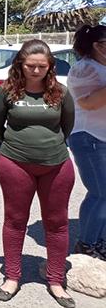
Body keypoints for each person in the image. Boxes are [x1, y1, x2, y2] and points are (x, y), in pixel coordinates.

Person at [0, 39, 76, 307]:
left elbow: (67, 125)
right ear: (20, 65)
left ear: (50, 67)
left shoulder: (60, 92)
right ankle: (12, 277)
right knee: (15, 220)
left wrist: (48, 147)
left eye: (42, 66)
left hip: (57, 164)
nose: (36, 71)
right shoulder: (7, 91)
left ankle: (55, 281)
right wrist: (17, 145)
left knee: (57, 223)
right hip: (16, 163)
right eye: (30, 66)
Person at [68, 25, 106, 261]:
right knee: (100, 193)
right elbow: (89, 103)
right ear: (97, 45)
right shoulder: (85, 68)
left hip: (102, 135)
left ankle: (100, 241)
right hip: (89, 137)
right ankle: (86, 244)